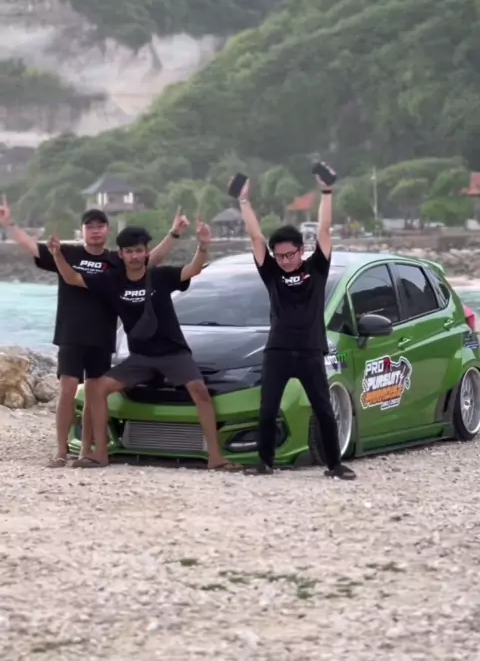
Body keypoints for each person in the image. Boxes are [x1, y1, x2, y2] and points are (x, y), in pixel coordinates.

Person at [0, 197, 189, 468]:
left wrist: (174, 234)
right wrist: (10, 224)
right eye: (90, 226)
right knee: (67, 389)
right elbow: (34, 247)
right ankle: (61, 450)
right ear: (83, 231)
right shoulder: (68, 254)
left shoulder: (116, 260)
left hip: (102, 336)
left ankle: (86, 449)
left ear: (107, 230)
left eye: (100, 226)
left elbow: (150, 260)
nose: (96, 230)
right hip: (71, 333)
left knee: (93, 393)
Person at [47, 222, 241, 472]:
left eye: (139, 250)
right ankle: (100, 454)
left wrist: (202, 247)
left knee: (199, 390)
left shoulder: (159, 276)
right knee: (97, 388)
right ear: (121, 254)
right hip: (140, 357)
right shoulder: (112, 280)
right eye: (129, 251)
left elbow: (192, 270)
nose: (135, 256)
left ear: (146, 252)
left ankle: (215, 457)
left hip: (173, 353)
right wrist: (57, 255)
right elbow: (73, 278)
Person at [237, 173, 356, 479]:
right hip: (277, 350)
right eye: (279, 256)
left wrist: (327, 191)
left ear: (302, 251)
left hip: (310, 351)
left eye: (290, 254)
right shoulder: (272, 273)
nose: (285, 260)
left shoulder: (317, 268)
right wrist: (244, 200)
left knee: (323, 409)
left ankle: (335, 465)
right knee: (268, 409)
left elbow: (325, 229)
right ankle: (265, 463)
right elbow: (256, 238)